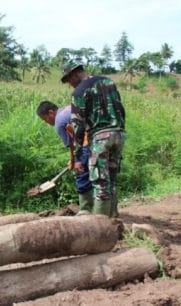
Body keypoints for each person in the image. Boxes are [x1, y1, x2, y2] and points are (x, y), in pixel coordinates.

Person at [61, 63, 125, 217]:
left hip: (100, 138)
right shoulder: (108, 82)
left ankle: (100, 225)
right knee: (111, 180)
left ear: (74, 74)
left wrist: (77, 157)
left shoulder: (79, 92)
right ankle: (113, 220)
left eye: (69, 80)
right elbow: (120, 108)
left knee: (101, 182)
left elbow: (78, 126)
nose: (70, 85)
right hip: (119, 134)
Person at [36, 101, 93, 215]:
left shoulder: (59, 122)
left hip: (90, 139)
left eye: (45, 119)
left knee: (81, 171)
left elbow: (72, 145)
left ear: (51, 112)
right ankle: (103, 208)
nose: (47, 123)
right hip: (103, 136)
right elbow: (77, 141)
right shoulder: (68, 109)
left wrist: (74, 162)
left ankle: (86, 211)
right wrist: (73, 159)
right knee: (99, 173)